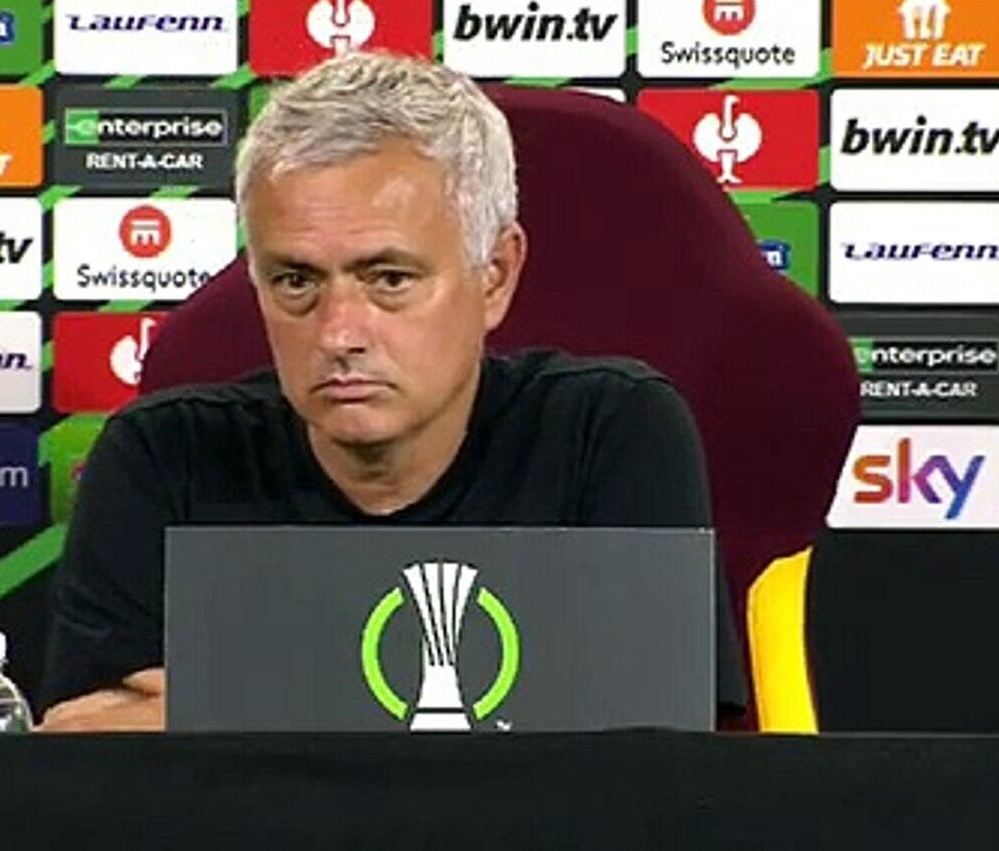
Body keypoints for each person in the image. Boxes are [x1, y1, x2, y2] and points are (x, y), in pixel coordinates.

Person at [39, 51, 746, 731]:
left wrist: (224, 704)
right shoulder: (165, 457)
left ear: (495, 275)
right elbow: (94, 745)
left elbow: (655, 749)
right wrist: (523, 704)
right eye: (296, 281)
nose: (339, 333)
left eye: (389, 279)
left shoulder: (609, 432)